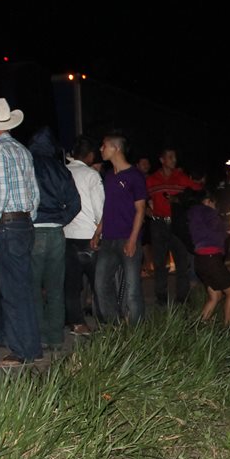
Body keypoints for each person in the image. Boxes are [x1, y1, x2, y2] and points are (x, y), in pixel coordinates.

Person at [0, 97, 42, 368]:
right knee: (24, 287)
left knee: (11, 290)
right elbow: (34, 192)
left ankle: (20, 350)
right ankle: (31, 346)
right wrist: (28, 217)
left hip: (9, 225)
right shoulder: (23, 151)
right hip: (25, 223)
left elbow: (1, 192)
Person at [28, 127, 81, 351]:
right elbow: (75, 204)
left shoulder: (27, 166)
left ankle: (39, 336)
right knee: (55, 287)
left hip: (33, 231)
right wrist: (61, 220)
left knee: (33, 287)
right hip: (57, 233)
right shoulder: (61, 170)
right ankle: (56, 338)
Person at [94, 130, 147, 325]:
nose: (101, 149)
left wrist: (133, 239)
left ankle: (136, 332)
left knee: (132, 289)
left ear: (116, 148)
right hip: (108, 239)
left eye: (104, 145)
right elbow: (108, 207)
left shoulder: (135, 176)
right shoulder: (108, 176)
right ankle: (114, 327)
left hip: (127, 238)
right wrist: (97, 232)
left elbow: (140, 210)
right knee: (101, 284)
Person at [146, 147, 202, 306]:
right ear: (162, 160)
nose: (174, 160)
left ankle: (182, 297)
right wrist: (146, 210)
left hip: (177, 223)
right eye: (170, 157)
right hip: (158, 224)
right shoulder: (152, 179)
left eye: (175, 157)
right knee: (159, 262)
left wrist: (182, 199)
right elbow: (139, 196)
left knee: (181, 262)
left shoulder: (181, 177)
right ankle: (161, 296)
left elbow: (198, 192)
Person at [64, 136, 105, 335]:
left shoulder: (63, 171)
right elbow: (100, 209)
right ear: (90, 156)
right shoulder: (91, 175)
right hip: (90, 235)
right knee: (99, 282)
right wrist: (100, 232)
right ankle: (105, 321)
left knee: (71, 284)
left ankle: (77, 323)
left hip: (67, 234)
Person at [189, 190, 230, 324]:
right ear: (209, 201)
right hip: (211, 259)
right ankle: (228, 328)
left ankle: (199, 326)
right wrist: (229, 225)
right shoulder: (208, 212)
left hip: (200, 260)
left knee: (215, 295)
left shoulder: (194, 214)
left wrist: (227, 231)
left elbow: (212, 234)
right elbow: (217, 226)